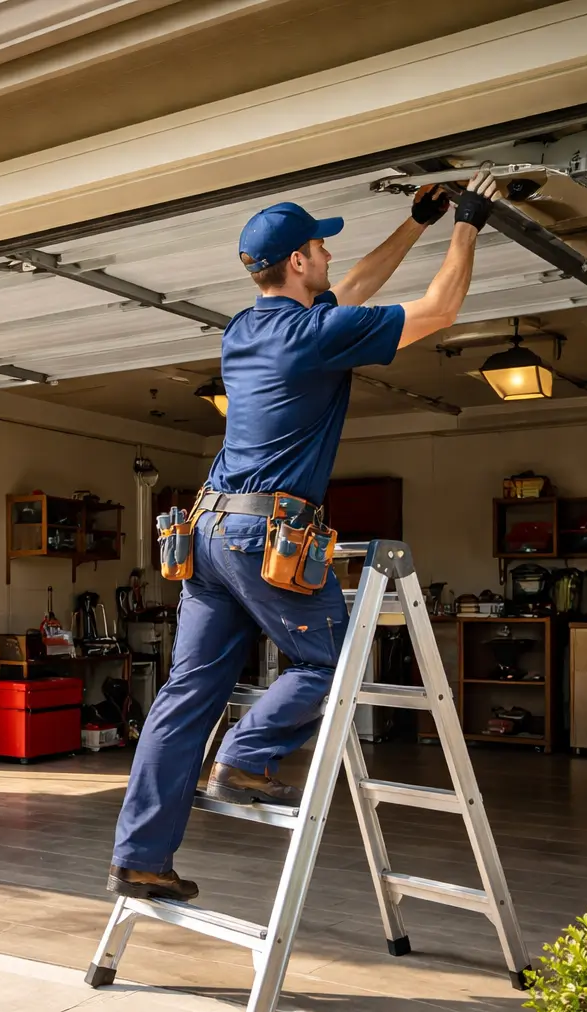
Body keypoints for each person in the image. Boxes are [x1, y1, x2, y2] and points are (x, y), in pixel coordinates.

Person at [108, 171, 504, 902]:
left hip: (210, 530)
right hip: (265, 532)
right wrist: (469, 221)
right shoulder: (314, 337)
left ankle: (139, 856)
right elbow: (441, 308)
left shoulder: (246, 330)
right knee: (335, 659)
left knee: (186, 693)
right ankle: (248, 755)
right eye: (319, 247)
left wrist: (415, 223)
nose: (326, 257)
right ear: (297, 262)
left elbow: (348, 290)